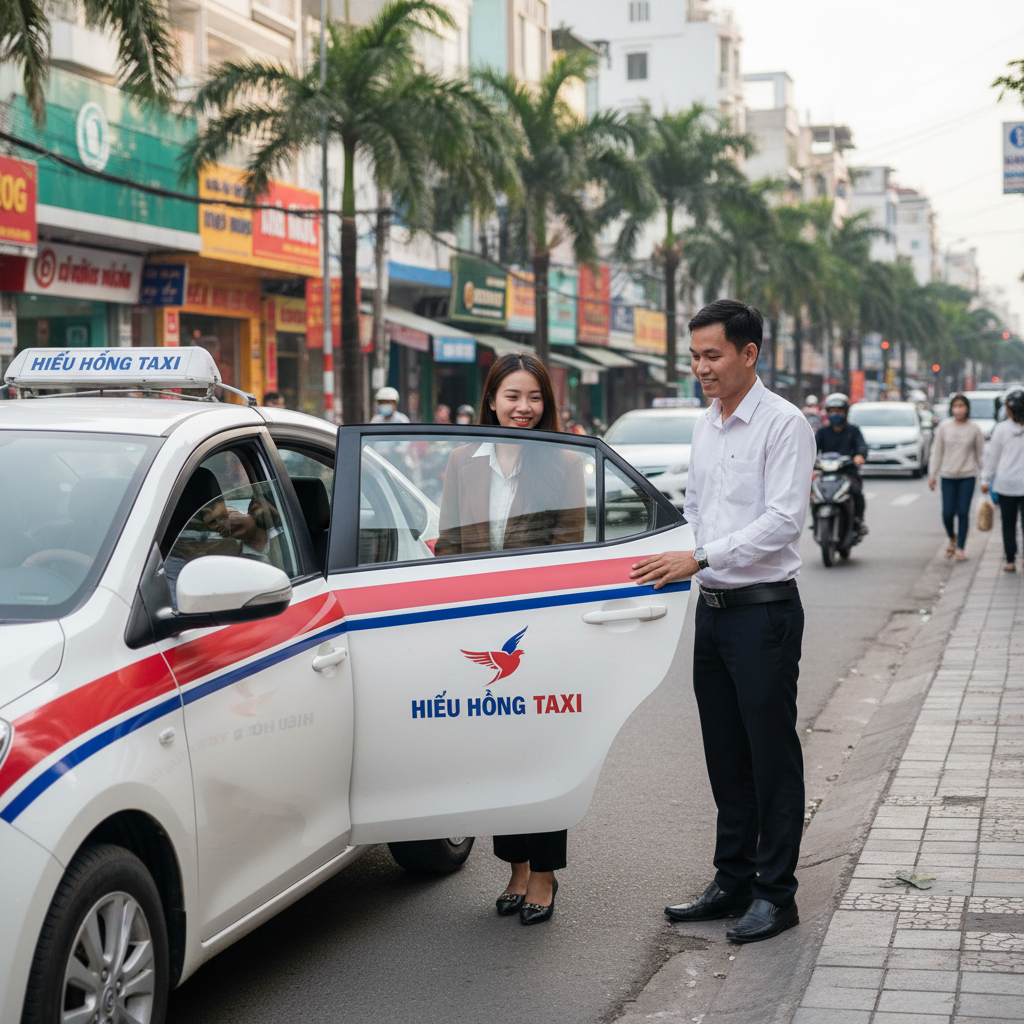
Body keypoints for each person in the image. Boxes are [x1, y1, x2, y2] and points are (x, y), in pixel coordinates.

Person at [629, 299, 816, 944]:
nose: (700, 368)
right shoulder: (705, 425)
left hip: (763, 613)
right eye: (694, 356)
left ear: (748, 355)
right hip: (712, 612)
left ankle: (776, 893)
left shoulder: (784, 424)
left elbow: (784, 521)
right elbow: (698, 507)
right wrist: (672, 551)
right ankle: (733, 879)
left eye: (712, 356)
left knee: (770, 755)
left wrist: (700, 555)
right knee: (725, 754)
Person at [435, 352, 585, 925]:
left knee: (540, 754)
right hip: (478, 627)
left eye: (534, 399)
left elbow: (570, 551)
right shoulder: (462, 460)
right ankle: (516, 866)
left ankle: (544, 873)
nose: (523, 408)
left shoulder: (562, 463)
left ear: (545, 405)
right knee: (497, 754)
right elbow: (449, 543)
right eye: (513, 397)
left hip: (538, 630)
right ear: (492, 399)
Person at [928, 393, 984, 561]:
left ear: (967, 408)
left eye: (961, 406)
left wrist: (985, 478)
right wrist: (933, 475)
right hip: (948, 475)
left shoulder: (974, 428)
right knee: (947, 513)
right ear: (951, 408)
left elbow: (980, 455)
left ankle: (960, 547)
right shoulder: (944, 427)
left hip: (967, 475)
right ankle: (952, 536)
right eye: (955, 406)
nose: (958, 410)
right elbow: (936, 453)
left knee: (963, 512)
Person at [982, 387, 1024, 572]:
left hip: (1005, 484)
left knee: (1008, 523)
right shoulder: (1002, 429)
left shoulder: (1000, 429)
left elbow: (992, 457)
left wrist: (985, 479)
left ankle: (1010, 560)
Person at [815, 393, 869, 534]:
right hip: (826, 473)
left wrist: (859, 456)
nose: (836, 414)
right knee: (814, 494)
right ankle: (815, 521)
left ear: (845, 412)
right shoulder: (822, 432)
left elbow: (861, 447)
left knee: (856, 491)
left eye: (839, 410)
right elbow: (812, 449)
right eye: (832, 411)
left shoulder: (853, 430)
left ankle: (858, 520)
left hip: (847, 472)